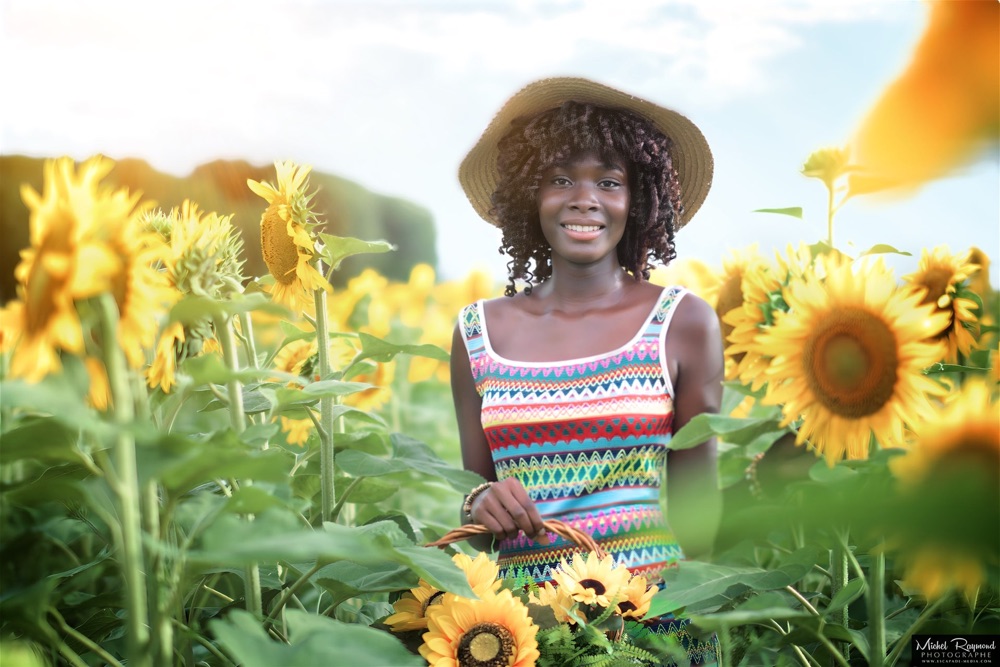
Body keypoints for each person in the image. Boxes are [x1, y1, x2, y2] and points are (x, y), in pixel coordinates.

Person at [450, 77, 723, 665]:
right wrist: (478, 503)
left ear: (640, 198)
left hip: (652, 627)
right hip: (520, 633)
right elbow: (471, 487)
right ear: (530, 193)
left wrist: (691, 636)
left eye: (609, 181)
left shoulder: (682, 322)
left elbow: (701, 510)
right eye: (560, 178)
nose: (584, 197)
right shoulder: (477, 332)